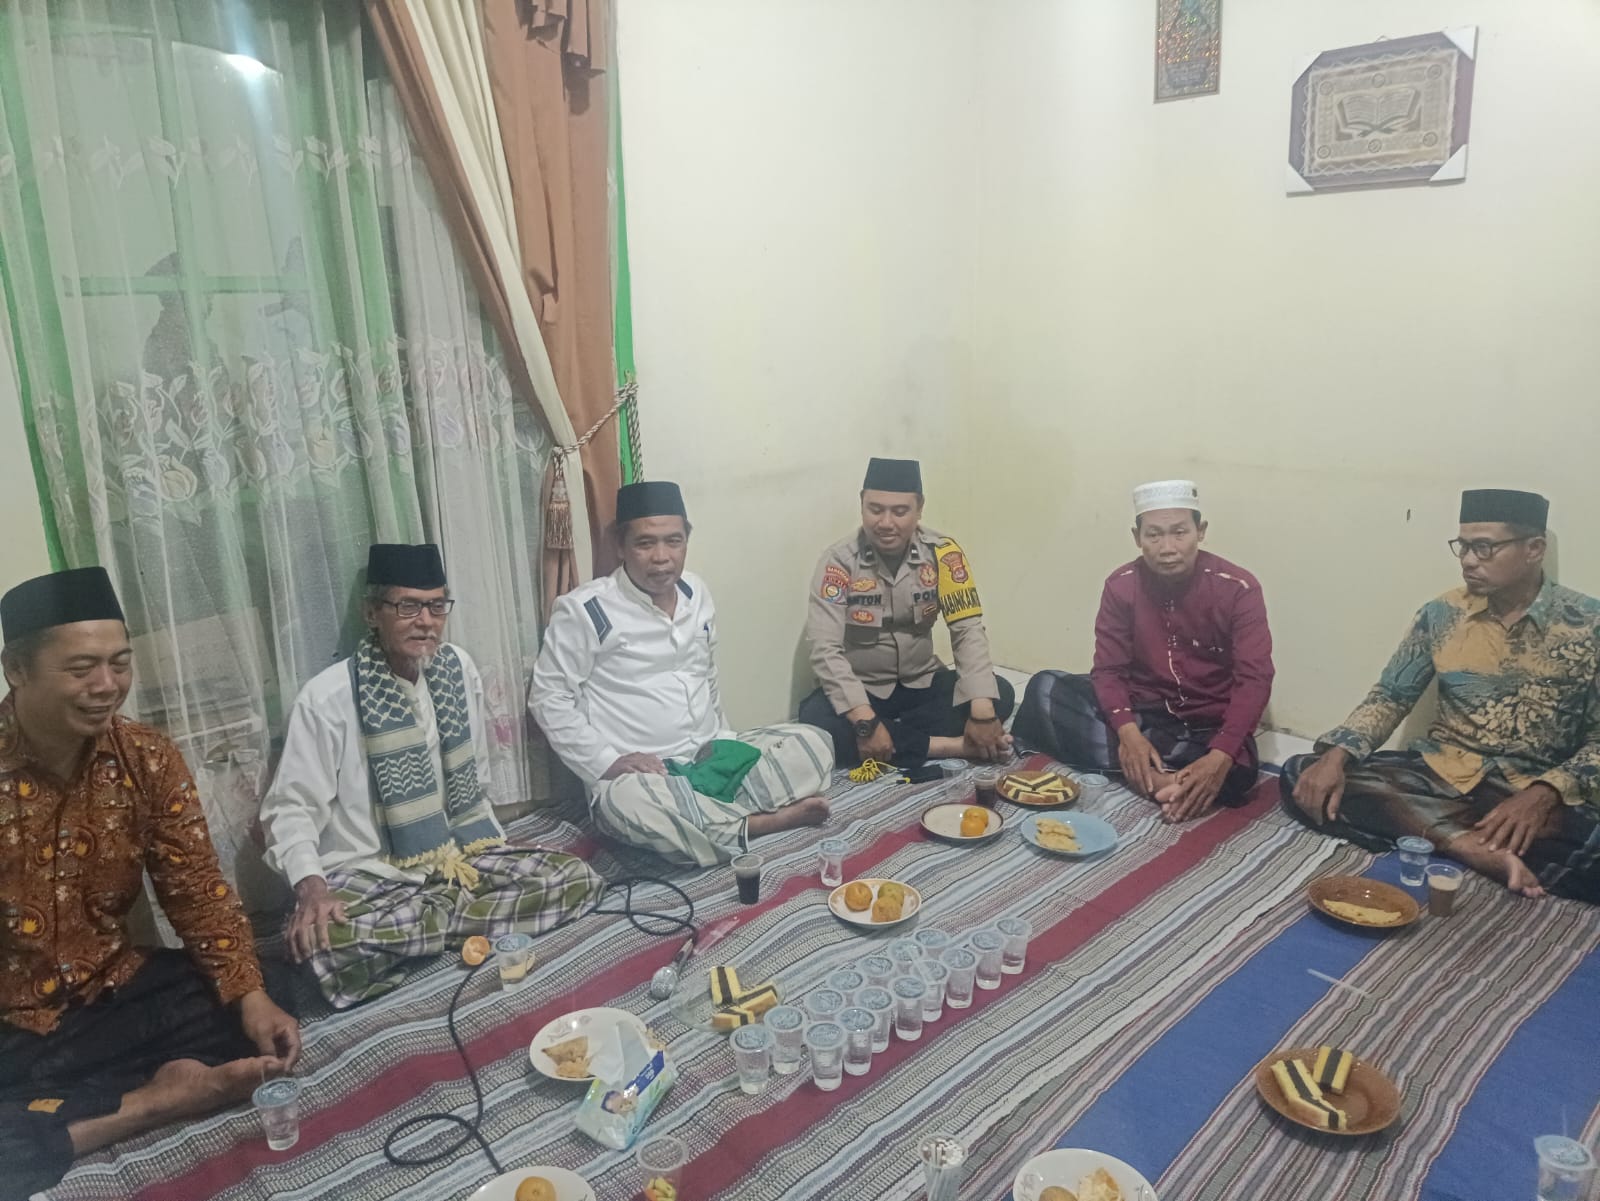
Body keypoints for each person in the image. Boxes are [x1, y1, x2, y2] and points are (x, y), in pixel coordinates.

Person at [0, 567, 301, 1199]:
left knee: (272, 992)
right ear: (17, 670)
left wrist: (251, 997)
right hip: (12, 1027)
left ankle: (66, 1107)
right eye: (81, 668)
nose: (106, 686)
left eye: (120, 663)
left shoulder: (147, 757)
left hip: (113, 993)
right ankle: (150, 1103)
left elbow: (196, 890)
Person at [260, 544, 602, 1008]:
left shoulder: (458, 669)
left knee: (573, 877)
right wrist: (312, 889)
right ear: (372, 613)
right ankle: (451, 922)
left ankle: (422, 930)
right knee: (327, 944)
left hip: (454, 857)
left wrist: (493, 846)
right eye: (408, 607)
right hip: (367, 872)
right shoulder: (327, 699)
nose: (426, 621)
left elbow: (476, 781)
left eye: (437, 606)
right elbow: (290, 808)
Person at [1283, 489, 1600, 903]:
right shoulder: (1442, 614)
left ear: (1534, 549)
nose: (1468, 560)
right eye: (1463, 546)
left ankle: (1431, 832)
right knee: (1304, 775)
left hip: (1531, 788)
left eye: (1484, 548)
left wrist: (1543, 794)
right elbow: (1391, 696)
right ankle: (1464, 845)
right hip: (1441, 775)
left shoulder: (1588, 625)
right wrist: (1337, 756)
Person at [530, 482, 835, 866]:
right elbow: (549, 698)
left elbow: (706, 673)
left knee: (814, 743)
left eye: (673, 541)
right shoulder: (586, 610)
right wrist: (606, 761)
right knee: (628, 806)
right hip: (646, 777)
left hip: (707, 757)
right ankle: (757, 823)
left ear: (686, 541)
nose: (661, 557)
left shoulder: (696, 592)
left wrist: (724, 739)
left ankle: (709, 820)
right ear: (620, 546)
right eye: (645, 543)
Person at [1014, 480, 1273, 821]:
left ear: (1201, 531)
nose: (1168, 548)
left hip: (1207, 725)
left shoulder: (1238, 588)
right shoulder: (1121, 585)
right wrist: (1128, 733)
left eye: (1179, 532)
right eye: (1154, 535)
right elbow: (1108, 671)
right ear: (1137, 537)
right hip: (1144, 713)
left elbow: (1255, 679)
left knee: (1236, 770)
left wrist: (1220, 755)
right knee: (1045, 687)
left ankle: (1159, 775)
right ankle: (1165, 781)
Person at [798, 457, 1014, 768]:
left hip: (921, 683)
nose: (886, 523)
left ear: (919, 508)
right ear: (862, 503)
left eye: (900, 511)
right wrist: (865, 721)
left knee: (998, 693)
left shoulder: (943, 553)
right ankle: (951, 746)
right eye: (875, 509)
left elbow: (967, 630)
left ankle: (893, 739)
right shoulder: (839, 562)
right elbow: (824, 649)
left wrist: (982, 714)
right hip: (864, 691)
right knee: (816, 718)